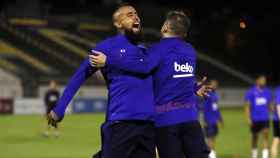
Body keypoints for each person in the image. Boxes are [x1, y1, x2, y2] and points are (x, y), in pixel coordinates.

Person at [91, 11, 210, 158]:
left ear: (165, 26)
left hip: (166, 121)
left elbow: (142, 67)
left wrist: (109, 61)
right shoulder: (190, 51)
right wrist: (194, 87)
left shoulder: (157, 50)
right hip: (190, 119)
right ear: (184, 34)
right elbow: (177, 76)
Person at [48, 4, 156, 158]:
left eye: (136, 13)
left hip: (148, 125)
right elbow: (80, 76)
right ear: (118, 23)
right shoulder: (106, 47)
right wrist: (60, 108)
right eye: (129, 14)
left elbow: (160, 77)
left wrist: (191, 88)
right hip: (121, 122)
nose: (136, 16)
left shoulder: (145, 50)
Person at [244, 75, 272, 158]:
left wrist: (272, 108)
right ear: (257, 81)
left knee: (266, 136)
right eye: (262, 80)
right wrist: (248, 118)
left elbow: (270, 105)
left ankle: (265, 156)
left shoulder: (267, 91)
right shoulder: (251, 92)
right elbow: (247, 106)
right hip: (255, 118)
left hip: (265, 118)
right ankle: (254, 155)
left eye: (265, 80)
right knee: (255, 137)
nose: (264, 82)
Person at [202, 79, 223, 158]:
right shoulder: (207, 94)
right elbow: (205, 108)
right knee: (209, 138)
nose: (215, 86)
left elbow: (216, 108)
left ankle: (212, 153)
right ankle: (210, 154)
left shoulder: (215, 95)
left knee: (213, 137)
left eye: (216, 84)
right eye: (213, 84)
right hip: (209, 120)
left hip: (214, 121)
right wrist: (205, 120)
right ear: (209, 85)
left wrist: (220, 119)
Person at [271, 86, 280, 158]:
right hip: (278, 120)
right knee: (276, 140)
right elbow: (278, 105)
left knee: (276, 140)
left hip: (276, 119)